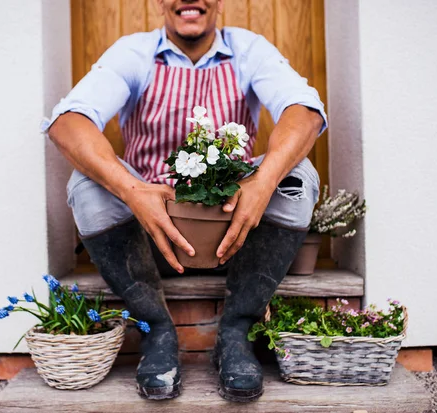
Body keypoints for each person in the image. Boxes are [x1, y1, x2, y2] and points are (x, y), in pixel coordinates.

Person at [42, 0, 327, 403]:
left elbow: (305, 111)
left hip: (233, 236)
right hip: (149, 241)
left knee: (299, 177)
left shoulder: (247, 49)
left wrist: (262, 182)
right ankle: (156, 328)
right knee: (85, 182)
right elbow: (68, 122)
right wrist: (134, 191)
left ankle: (237, 329)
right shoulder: (135, 52)